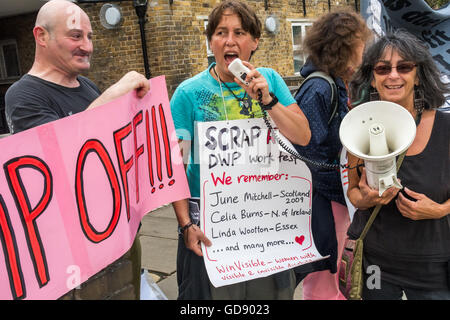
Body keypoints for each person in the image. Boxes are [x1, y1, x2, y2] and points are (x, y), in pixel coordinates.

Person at [5, 0, 150, 299]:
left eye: (89, 37)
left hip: (117, 234)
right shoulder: (23, 95)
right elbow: (57, 162)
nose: (87, 46)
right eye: (75, 36)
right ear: (42, 37)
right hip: (69, 254)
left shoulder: (86, 87)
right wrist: (113, 96)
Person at [170, 0, 311, 300]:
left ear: (255, 41)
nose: (230, 40)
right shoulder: (188, 94)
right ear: (211, 41)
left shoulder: (270, 80)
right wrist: (185, 226)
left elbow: (303, 136)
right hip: (211, 232)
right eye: (221, 32)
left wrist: (269, 101)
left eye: (239, 32)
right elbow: (175, 167)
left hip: (266, 225)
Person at [347, 29, 450, 300]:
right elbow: (354, 192)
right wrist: (367, 198)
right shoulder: (359, 126)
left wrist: (440, 210)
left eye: (404, 67)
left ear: (418, 76)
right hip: (377, 263)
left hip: (434, 265)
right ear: (372, 78)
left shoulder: (446, 128)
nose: (393, 75)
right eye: (382, 69)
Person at [292, 10, 372, 300]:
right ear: (345, 47)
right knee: (325, 279)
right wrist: (345, 190)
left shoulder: (332, 82)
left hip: (332, 199)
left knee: (335, 273)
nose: (365, 51)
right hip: (324, 202)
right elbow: (306, 151)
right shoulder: (319, 87)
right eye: (361, 44)